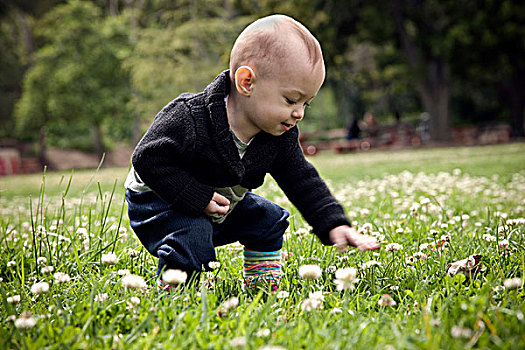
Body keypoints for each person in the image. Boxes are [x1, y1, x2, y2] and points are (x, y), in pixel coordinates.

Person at [124, 14, 380, 292]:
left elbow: (301, 178)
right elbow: (147, 158)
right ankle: (176, 295)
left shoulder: (278, 135)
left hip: (220, 203)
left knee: (269, 219)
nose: (299, 113)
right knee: (192, 236)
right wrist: (197, 197)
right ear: (247, 82)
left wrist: (333, 224)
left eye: (307, 103)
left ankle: (262, 286)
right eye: (292, 99)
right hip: (158, 201)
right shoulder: (189, 117)